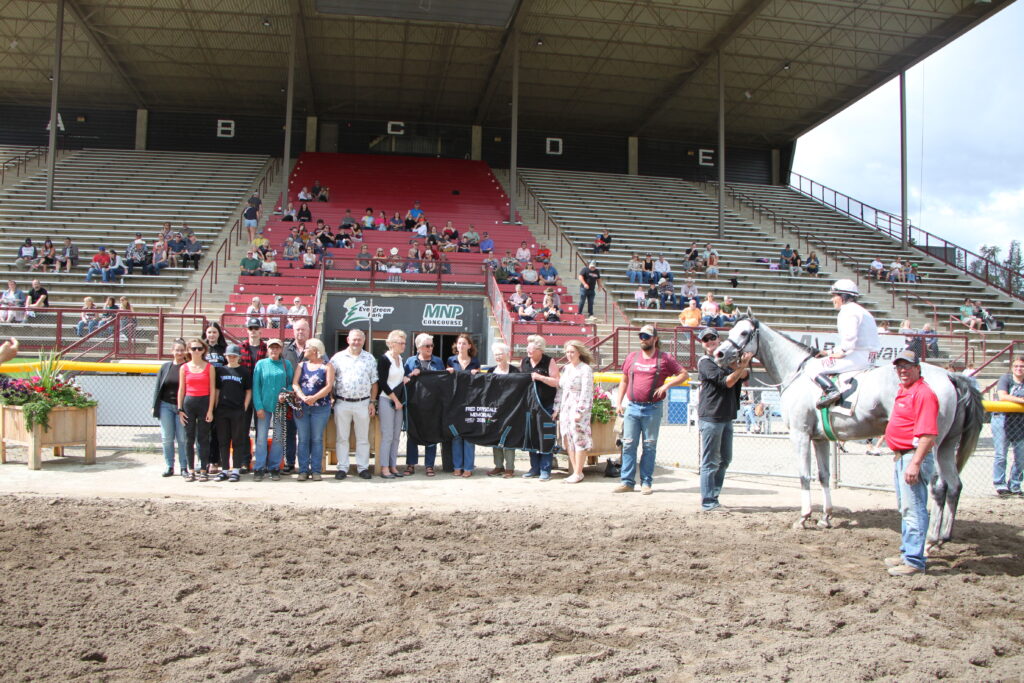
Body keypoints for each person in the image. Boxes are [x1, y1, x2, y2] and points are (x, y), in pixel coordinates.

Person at [883, 350, 939, 576]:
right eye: (899, 367)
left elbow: (928, 434)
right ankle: (908, 553)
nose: (903, 371)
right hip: (903, 455)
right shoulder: (906, 390)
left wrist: (915, 463)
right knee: (907, 507)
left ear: (918, 368)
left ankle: (914, 560)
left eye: (907, 366)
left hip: (912, 455)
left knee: (914, 508)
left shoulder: (923, 394)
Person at [614, 325, 687, 494]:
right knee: (628, 445)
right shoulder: (632, 357)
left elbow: (684, 374)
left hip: (652, 408)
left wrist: (667, 385)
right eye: (641, 336)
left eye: (647, 336)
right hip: (632, 407)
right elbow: (624, 380)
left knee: (649, 446)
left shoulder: (665, 358)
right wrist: (619, 402)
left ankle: (646, 482)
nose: (643, 339)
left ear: (655, 339)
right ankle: (627, 481)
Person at [696, 327, 751, 511]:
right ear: (702, 344)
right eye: (706, 339)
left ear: (719, 339)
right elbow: (727, 382)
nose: (710, 341)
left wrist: (739, 366)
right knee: (710, 461)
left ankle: (714, 496)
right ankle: (708, 501)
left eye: (713, 338)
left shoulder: (726, 358)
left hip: (726, 415)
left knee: (725, 458)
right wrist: (741, 366)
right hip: (711, 416)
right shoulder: (705, 362)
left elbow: (744, 375)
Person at [804, 280, 880, 409]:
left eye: (834, 295)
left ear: (842, 296)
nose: (832, 299)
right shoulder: (863, 311)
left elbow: (850, 338)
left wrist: (842, 351)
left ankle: (831, 391)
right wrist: (827, 353)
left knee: (811, 367)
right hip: (869, 356)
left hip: (857, 357)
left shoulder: (847, 311)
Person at [330, 328, 378, 480]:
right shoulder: (337, 358)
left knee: (363, 438)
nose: (356, 342)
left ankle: (362, 468)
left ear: (364, 341)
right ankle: (342, 468)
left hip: (362, 403)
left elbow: (374, 382)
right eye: (354, 339)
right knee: (341, 437)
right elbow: (330, 380)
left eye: (359, 339)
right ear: (348, 340)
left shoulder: (369, 358)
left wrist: (372, 401)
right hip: (342, 402)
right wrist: (331, 397)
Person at [291, 338, 334, 482]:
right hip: (302, 407)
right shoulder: (301, 365)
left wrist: (314, 398)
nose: (304, 350)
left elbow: (328, 386)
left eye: (307, 347)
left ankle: (316, 470)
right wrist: (303, 397)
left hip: (320, 408)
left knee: (316, 438)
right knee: (303, 439)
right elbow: (295, 383)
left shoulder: (327, 366)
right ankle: (303, 470)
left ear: (315, 350)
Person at [404, 333, 446, 477]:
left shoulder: (438, 361)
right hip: (414, 404)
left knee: (432, 434)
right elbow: (403, 380)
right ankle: (410, 464)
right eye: (427, 346)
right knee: (412, 434)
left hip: (433, 404)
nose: (430, 348)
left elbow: (442, 380)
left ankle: (429, 465)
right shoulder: (410, 361)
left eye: (431, 345)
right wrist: (410, 375)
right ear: (419, 347)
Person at [251, 338, 293, 481]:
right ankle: (259, 467)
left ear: (281, 349)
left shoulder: (286, 365)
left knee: (278, 437)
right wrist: (259, 406)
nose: (274, 350)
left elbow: (291, 385)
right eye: (271, 347)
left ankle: (275, 467)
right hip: (264, 405)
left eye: (277, 347)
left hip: (280, 406)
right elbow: (256, 387)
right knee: (261, 438)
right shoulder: (261, 364)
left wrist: (286, 394)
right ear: (267, 349)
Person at [553, 340, 594, 484]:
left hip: (577, 406)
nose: (569, 355)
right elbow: (560, 389)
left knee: (579, 436)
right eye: (567, 352)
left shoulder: (585, 369)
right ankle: (576, 470)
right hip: (566, 406)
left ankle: (578, 471)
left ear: (579, 353)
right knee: (567, 436)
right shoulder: (566, 369)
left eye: (572, 352)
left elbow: (586, 392)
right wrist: (556, 408)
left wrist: (581, 411)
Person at [177, 338, 216, 482]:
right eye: (193, 349)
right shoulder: (184, 367)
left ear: (204, 350)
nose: (197, 351)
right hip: (189, 404)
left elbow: (212, 390)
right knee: (189, 438)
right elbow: (181, 389)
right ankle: (191, 470)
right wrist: (180, 409)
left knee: (204, 438)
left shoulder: (209, 367)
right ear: (188, 350)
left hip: (204, 402)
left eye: (199, 348)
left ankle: (203, 469)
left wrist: (210, 410)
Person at [213, 344, 252, 479]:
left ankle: (235, 469)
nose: (232, 358)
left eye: (234, 356)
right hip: (222, 410)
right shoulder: (221, 371)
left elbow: (248, 391)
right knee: (223, 440)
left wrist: (245, 407)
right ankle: (224, 469)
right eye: (229, 356)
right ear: (226, 356)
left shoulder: (244, 371)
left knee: (237, 440)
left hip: (237, 410)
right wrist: (216, 407)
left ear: (239, 357)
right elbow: (217, 390)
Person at [482, 342, 520, 478]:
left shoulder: (515, 371)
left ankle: (510, 468)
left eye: (500, 354)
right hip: (494, 409)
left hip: (511, 409)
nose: (498, 356)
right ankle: (498, 466)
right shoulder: (490, 371)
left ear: (507, 355)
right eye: (496, 354)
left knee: (509, 437)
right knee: (495, 436)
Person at [445, 334, 481, 476]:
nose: (461, 346)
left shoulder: (475, 362)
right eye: (459, 343)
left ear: (469, 346)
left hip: (470, 402)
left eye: (464, 343)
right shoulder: (450, 360)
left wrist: (476, 374)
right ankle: (457, 466)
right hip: (454, 402)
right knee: (456, 435)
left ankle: (468, 467)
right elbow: (446, 380)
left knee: (469, 436)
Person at [152, 339, 189, 478]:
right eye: (177, 350)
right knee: (167, 438)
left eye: (182, 350)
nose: (179, 353)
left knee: (182, 438)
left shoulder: (187, 367)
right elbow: (158, 388)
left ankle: (184, 467)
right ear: (172, 351)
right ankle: (169, 466)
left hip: (182, 408)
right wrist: (154, 406)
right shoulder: (165, 367)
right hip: (165, 405)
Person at [376, 330, 410, 479]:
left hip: (398, 402)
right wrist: (395, 400)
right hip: (387, 400)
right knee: (388, 435)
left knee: (396, 436)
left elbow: (397, 379)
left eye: (404, 343)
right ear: (391, 344)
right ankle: (384, 468)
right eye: (400, 343)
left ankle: (393, 466)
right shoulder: (385, 359)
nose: (403, 345)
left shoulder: (401, 359)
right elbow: (382, 382)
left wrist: (405, 379)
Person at [992, 356, 1024, 496]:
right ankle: (1000, 484)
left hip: (1020, 421)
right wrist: (1021, 400)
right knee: (1001, 455)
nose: (1019, 369)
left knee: (1021, 456)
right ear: (1012, 367)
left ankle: (1015, 484)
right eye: (1016, 366)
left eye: (1022, 366)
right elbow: (1003, 396)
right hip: (1002, 419)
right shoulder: (1006, 379)